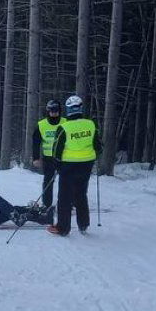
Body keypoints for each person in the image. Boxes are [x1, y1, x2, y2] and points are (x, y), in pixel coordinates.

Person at [48, 95, 101, 236]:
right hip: (86, 165)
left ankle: (63, 228)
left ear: (68, 110)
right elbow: (98, 146)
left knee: (65, 197)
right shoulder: (90, 124)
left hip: (68, 166)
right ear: (80, 108)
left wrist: (57, 165)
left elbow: (56, 150)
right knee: (81, 194)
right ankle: (83, 224)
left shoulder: (64, 127)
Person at [31, 99, 65, 208]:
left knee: (66, 181)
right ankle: (47, 204)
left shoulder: (65, 122)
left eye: (56, 111)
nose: (54, 113)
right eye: (52, 111)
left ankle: (66, 202)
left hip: (64, 157)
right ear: (48, 111)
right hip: (48, 158)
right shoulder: (42, 125)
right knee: (48, 181)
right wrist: (36, 158)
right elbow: (36, 142)